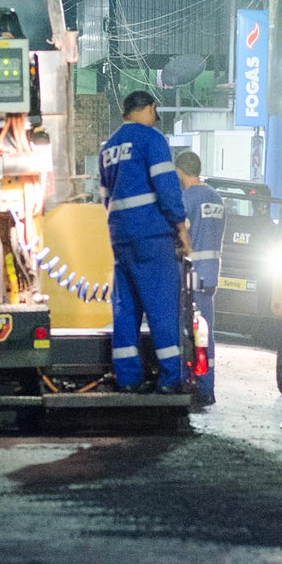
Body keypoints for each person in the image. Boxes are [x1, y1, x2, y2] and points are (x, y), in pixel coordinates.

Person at [100, 91, 191, 394]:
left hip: (120, 238)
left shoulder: (108, 148)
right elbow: (167, 188)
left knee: (125, 311)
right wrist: (181, 227)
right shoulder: (152, 140)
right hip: (152, 237)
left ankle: (128, 379)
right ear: (151, 109)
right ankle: (169, 379)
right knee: (162, 308)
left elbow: (106, 198)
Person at [176, 151, 224, 408]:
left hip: (191, 274)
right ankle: (207, 388)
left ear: (180, 172)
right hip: (210, 274)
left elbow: (179, 235)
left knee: (186, 329)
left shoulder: (186, 199)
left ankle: (187, 383)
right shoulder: (216, 198)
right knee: (206, 331)